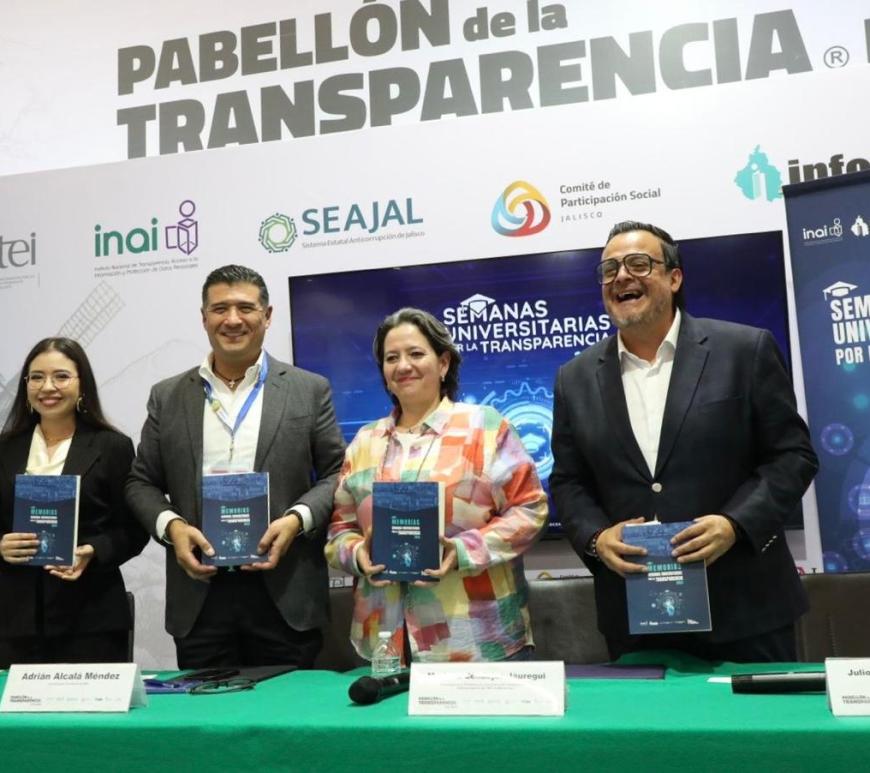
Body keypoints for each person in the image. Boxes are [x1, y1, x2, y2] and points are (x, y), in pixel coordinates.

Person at [550, 221, 819, 663]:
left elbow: (793, 456)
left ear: (674, 278)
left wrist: (735, 524)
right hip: (635, 614)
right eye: (609, 269)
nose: (621, 276)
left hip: (746, 607)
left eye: (639, 263)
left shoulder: (744, 349)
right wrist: (596, 537)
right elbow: (568, 481)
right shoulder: (573, 378)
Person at [125, 265, 345, 668]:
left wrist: (296, 519)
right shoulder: (168, 396)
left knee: (290, 708)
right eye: (219, 308)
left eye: (245, 308)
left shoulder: (309, 389)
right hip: (199, 593)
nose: (232, 319)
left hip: (285, 592)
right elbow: (141, 482)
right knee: (205, 708)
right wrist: (173, 529)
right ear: (204, 317)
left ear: (267, 315)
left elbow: (336, 473)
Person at [326, 307, 548, 663]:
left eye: (416, 354)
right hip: (385, 643)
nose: (403, 366)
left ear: (443, 363)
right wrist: (356, 554)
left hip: (476, 640)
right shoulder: (365, 442)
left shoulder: (485, 427)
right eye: (391, 358)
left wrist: (463, 551)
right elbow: (340, 529)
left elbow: (530, 510)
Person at [0, 337, 147, 667]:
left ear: (82, 385)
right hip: (12, 621)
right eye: (37, 377)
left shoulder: (112, 447)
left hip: (91, 620)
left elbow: (134, 530)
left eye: (61, 376)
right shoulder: (4, 449)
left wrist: (93, 551)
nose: (47, 387)